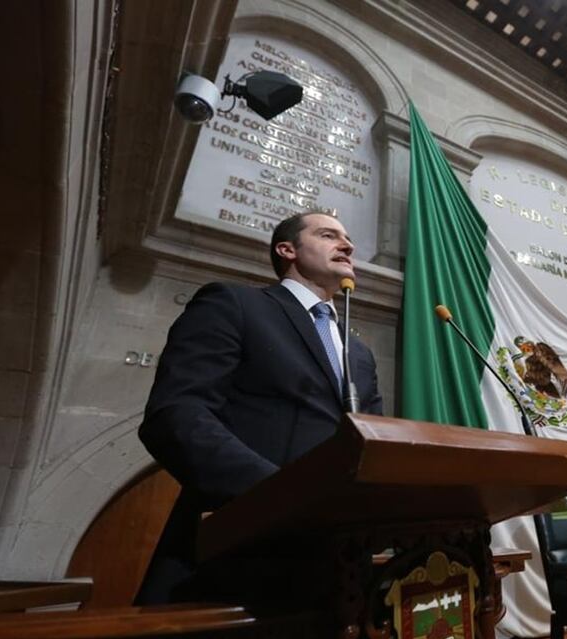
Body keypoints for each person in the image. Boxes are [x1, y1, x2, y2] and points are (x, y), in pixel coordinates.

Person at [135, 211, 383, 604]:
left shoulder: (360, 354)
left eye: (348, 238)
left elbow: (373, 443)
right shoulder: (235, 303)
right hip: (240, 551)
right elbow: (177, 414)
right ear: (287, 250)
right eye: (328, 234)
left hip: (338, 565)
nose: (348, 245)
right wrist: (279, 494)